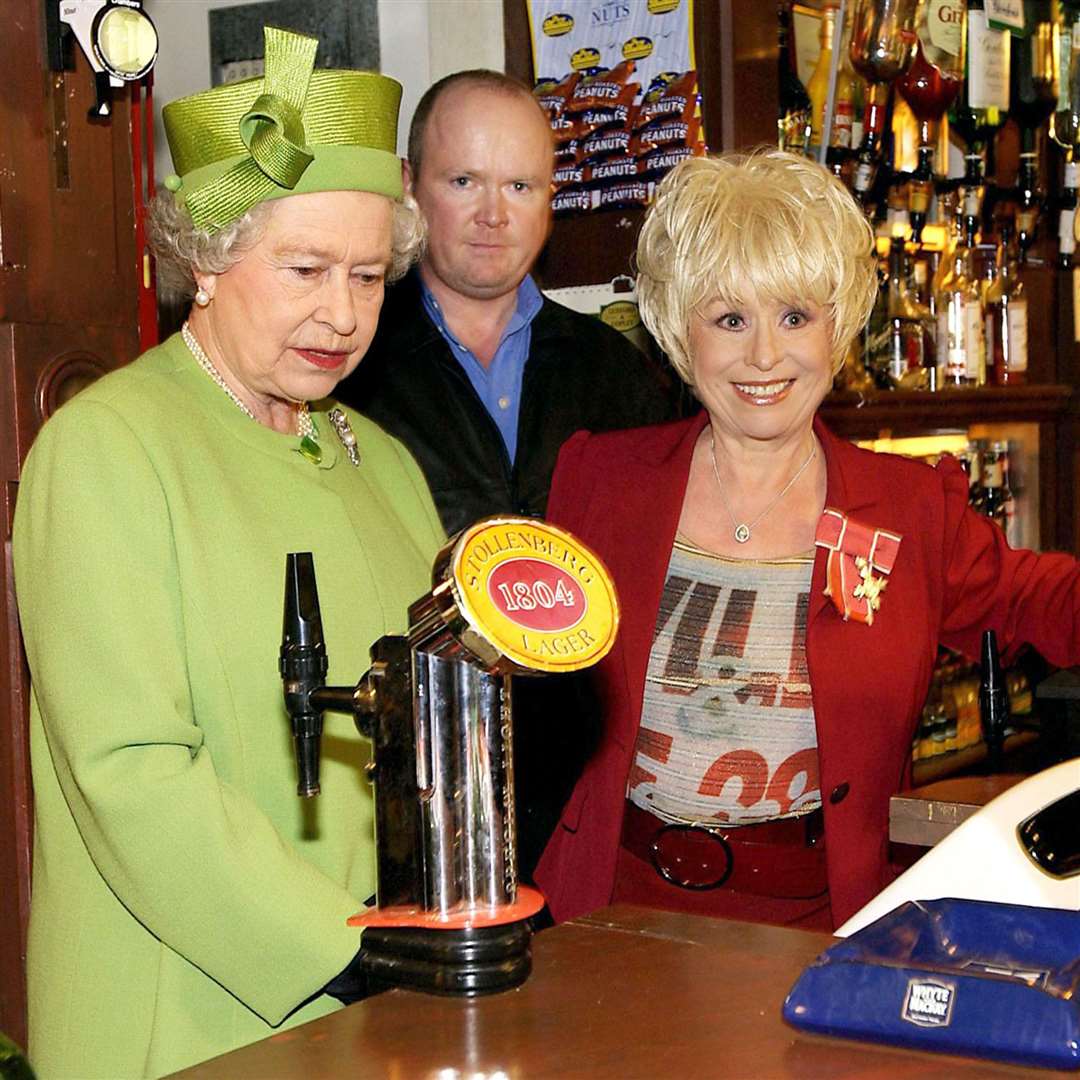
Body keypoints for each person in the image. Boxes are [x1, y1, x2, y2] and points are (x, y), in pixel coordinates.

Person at [13, 29, 443, 1078]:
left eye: (368, 277)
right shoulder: (108, 447)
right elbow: (131, 771)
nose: (341, 314)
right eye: (303, 269)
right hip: (187, 1015)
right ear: (204, 259)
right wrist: (343, 946)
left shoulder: (383, 462)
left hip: (375, 1004)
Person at [534, 149, 1080, 933]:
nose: (764, 355)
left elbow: (1046, 599)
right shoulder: (598, 483)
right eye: (730, 319)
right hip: (612, 916)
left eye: (795, 316)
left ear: (840, 326)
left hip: (824, 924)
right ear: (680, 332)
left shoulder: (907, 507)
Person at [335, 71, 684, 880]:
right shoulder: (348, 366)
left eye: (520, 185)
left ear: (550, 196)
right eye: (464, 181)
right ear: (408, 187)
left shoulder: (621, 373)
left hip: (586, 799)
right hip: (404, 791)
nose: (494, 214)